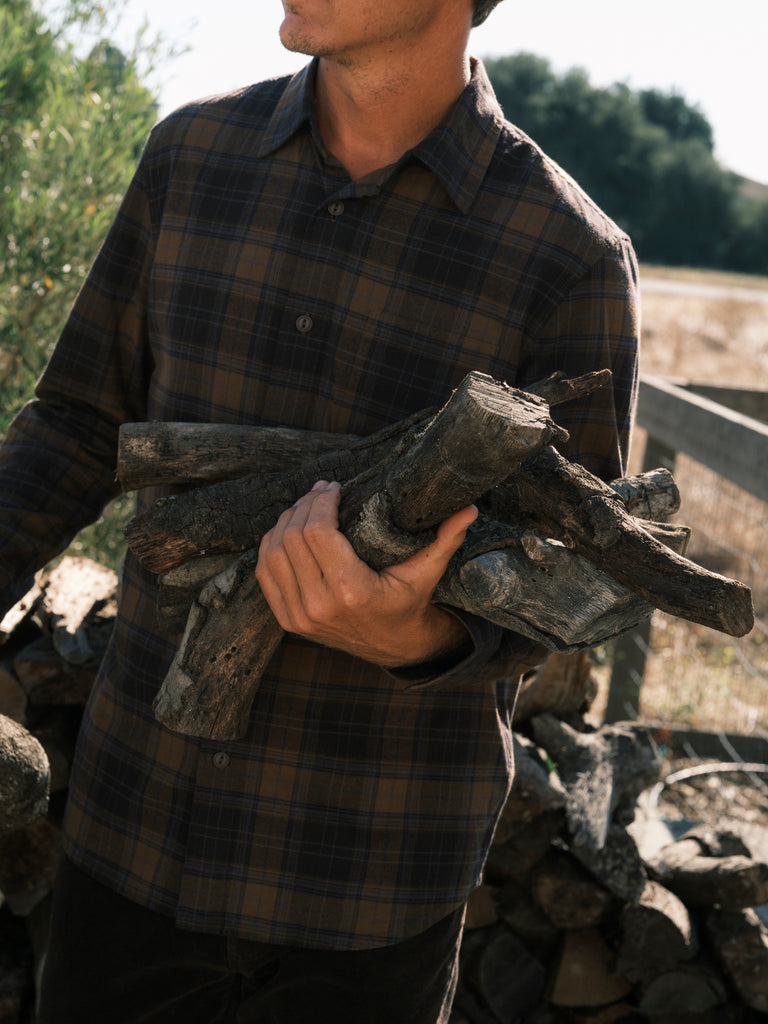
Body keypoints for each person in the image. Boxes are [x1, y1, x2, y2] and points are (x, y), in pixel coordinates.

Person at [0, 1, 639, 1020]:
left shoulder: (568, 256)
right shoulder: (189, 159)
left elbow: (572, 583)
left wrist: (415, 638)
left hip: (369, 893)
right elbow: (77, 426)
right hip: (131, 836)